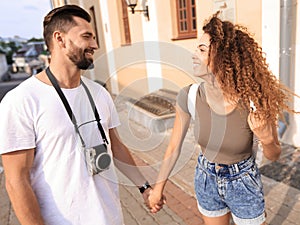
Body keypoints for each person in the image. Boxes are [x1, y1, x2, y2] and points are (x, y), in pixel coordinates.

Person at [0, 5, 163, 225]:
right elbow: (16, 180)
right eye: (87, 36)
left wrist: (144, 187)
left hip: (111, 217)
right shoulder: (21, 100)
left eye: (94, 37)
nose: (95, 45)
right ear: (60, 39)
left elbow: (116, 146)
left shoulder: (99, 92)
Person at [147, 12, 298, 225]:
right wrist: (158, 188)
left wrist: (266, 139)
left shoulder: (254, 101)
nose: (194, 55)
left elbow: (274, 155)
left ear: (223, 56)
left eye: (201, 49)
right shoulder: (189, 96)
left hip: (243, 183)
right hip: (206, 177)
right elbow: (173, 148)